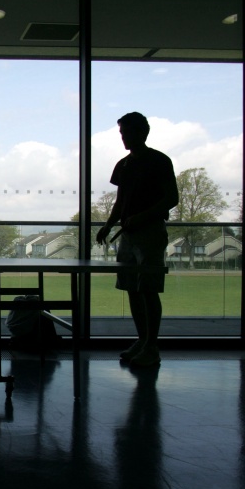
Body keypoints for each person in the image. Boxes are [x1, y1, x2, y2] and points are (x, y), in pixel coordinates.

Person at [96, 112, 178, 367]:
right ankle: (143, 341)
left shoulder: (159, 161)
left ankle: (150, 345)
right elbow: (121, 202)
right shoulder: (124, 165)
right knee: (132, 288)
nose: (123, 138)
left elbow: (171, 198)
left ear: (142, 132)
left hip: (150, 232)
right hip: (130, 235)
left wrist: (141, 217)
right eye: (121, 133)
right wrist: (108, 225)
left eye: (126, 132)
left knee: (148, 289)